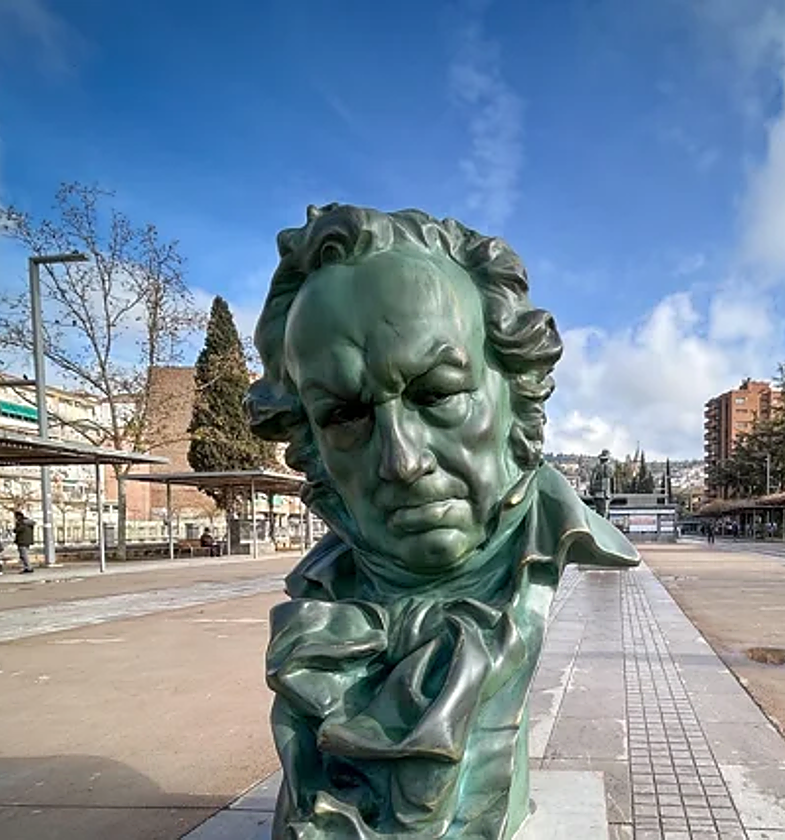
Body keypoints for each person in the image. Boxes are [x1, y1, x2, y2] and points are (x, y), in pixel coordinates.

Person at [246, 204, 640, 837]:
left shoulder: (546, 541)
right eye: (345, 416)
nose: (401, 461)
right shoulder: (317, 617)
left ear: (517, 387)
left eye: (437, 394)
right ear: (310, 444)